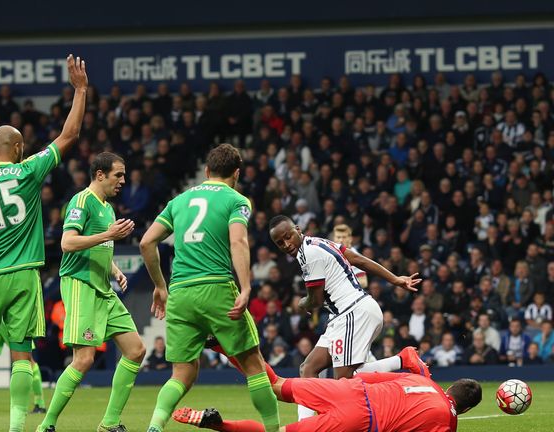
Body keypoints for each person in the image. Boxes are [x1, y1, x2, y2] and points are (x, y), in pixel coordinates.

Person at [0, 54, 88, 432]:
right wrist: (80, 90)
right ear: (18, 147)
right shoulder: (28, 170)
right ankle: (16, 428)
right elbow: (69, 136)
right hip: (24, 276)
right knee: (22, 356)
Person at [140, 144, 281, 432]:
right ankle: (274, 429)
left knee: (182, 373)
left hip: (180, 292)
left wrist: (159, 286)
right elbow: (238, 242)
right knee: (254, 366)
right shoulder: (236, 199)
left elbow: (146, 242)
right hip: (216, 286)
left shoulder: (179, 201)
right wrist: (245, 287)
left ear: (206, 171)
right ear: (237, 173)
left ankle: (155, 425)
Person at [268, 215, 420, 420]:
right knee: (308, 368)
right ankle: (305, 425)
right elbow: (358, 259)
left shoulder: (309, 253)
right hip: (344, 315)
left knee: (345, 383)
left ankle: (401, 361)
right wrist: (395, 279)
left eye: (288, 237)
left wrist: (302, 303)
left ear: (297, 229)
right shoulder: (319, 242)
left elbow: (315, 299)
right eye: (280, 243)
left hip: (353, 312)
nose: (286, 244)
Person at [38, 152, 145, 432]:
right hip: (80, 285)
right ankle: (46, 425)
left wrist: (115, 270)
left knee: (136, 351)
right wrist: (108, 235)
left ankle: (109, 423)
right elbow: (68, 243)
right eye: (118, 175)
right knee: (83, 359)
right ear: (100, 175)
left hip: (103, 288)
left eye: (123, 175)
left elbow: (98, 246)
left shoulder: (107, 208)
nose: (122, 180)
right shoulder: (81, 201)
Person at [173, 370, 482, 432]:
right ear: (465, 407)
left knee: (277, 384)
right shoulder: (445, 420)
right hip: (361, 420)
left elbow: (367, 377)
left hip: (348, 390)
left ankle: (227, 347)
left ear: (449, 385)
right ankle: (218, 424)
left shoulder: (422, 380)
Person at [331, 224, 367, 288]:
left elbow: (363, 282)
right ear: (334, 239)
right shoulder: (330, 253)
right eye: (338, 237)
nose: (341, 240)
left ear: (350, 239)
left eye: (344, 237)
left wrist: (342, 285)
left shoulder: (355, 256)